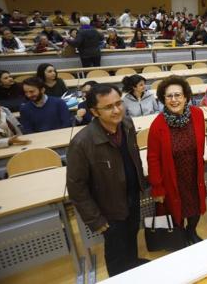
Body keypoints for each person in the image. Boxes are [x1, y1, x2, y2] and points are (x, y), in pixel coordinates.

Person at [67, 84, 147, 277]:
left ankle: (133, 267)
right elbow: (76, 188)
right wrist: (96, 220)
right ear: (94, 112)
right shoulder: (81, 143)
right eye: (109, 107)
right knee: (116, 252)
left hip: (131, 197)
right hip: (108, 209)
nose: (117, 110)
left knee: (131, 238)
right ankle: (120, 276)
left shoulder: (127, 124)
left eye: (119, 103)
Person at [147, 76, 207, 245]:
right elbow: (153, 158)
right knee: (176, 212)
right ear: (163, 99)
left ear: (186, 97)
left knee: (195, 208)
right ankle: (180, 238)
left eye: (178, 95)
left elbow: (200, 143)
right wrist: (157, 188)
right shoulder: (157, 125)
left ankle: (191, 231)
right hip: (172, 178)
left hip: (194, 174)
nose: (174, 100)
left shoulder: (197, 114)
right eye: (169, 96)